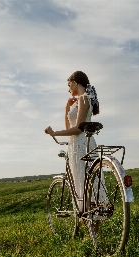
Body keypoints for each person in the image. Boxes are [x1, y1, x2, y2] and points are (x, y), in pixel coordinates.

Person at [45, 71, 99, 209]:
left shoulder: (83, 98)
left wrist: (54, 133)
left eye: (69, 85)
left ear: (75, 82)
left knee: (82, 183)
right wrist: (67, 107)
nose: (68, 89)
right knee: (89, 185)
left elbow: (78, 129)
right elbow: (69, 127)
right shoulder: (84, 99)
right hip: (82, 142)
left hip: (80, 144)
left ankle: (89, 224)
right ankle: (90, 226)